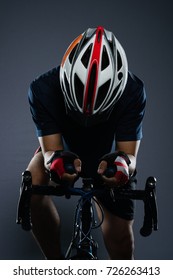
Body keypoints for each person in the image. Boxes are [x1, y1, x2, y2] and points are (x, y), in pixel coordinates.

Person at [27, 26, 146, 260]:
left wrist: (123, 167)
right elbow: (50, 150)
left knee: (121, 241)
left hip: (109, 155)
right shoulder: (42, 89)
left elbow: (128, 155)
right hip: (63, 148)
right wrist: (55, 164)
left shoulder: (133, 91)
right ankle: (54, 264)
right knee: (32, 182)